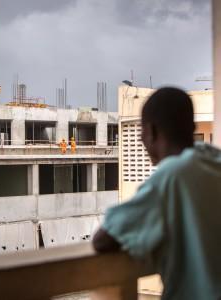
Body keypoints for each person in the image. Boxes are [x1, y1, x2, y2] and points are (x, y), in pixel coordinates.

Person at [93, 87, 221, 300]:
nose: (141, 140)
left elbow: (103, 239)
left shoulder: (170, 176)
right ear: (192, 127)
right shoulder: (213, 160)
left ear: (151, 131)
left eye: (141, 131)